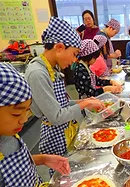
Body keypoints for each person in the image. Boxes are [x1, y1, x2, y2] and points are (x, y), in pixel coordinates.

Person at [25, 17, 105, 176]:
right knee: (62, 178)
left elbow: (61, 103)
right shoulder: (37, 73)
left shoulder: (52, 69)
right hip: (54, 136)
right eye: (75, 54)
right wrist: (83, 105)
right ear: (59, 47)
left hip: (64, 131)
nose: (75, 60)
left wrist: (84, 101)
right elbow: (56, 115)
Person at [0, 63, 70, 187]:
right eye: (16, 114)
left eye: (27, 110)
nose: (24, 120)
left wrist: (43, 159)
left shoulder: (8, 133)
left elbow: (14, 165)